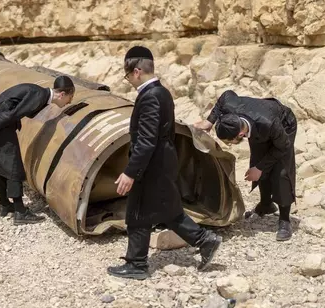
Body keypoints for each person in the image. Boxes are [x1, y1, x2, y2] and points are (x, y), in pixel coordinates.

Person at [107, 46, 222, 280]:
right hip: (164, 161)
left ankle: (137, 265)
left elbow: (147, 140)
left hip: (152, 165)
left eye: (127, 75)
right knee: (169, 210)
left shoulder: (149, 97)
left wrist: (131, 172)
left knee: (137, 213)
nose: (128, 80)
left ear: (137, 71)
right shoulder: (163, 93)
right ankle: (205, 240)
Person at [194, 90, 297, 241]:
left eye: (231, 141)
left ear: (240, 135)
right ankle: (266, 204)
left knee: (281, 171)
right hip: (258, 123)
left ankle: (284, 220)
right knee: (257, 161)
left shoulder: (269, 123)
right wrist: (209, 121)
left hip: (284, 125)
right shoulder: (230, 105)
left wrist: (261, 168)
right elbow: (226, 95)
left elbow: (283, 147)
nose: (230, 145)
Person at [0, 76, 76, 225]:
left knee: (0, 163)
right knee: (13, 167)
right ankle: (20, 212)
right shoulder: (39, 95)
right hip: (0, 124)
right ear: (62, 94)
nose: (69, 102)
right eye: (70, 98)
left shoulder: (39, 92)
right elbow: (14, 113)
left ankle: (4, 205)